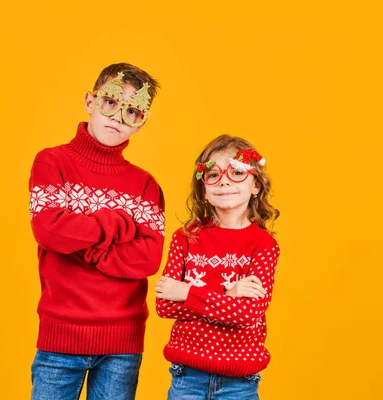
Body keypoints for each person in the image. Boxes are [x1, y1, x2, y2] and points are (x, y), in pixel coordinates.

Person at [29, 63, 164, 400]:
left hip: (122, 343)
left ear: (143, 120)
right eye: (110, 102)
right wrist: (117, 223)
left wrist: (84, 243)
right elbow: (49, 231)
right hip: (61, 337)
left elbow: (148, 258)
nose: (118, 117)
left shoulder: (145, 185)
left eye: (133, 111)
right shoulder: (51, 163)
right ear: (90, 101)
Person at [155, 134, 280, 399]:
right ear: (203, 189)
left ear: (256, 185)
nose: (223, 181)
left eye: (236, 172)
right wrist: (229, 294)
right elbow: (164, 304)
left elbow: (248, 313)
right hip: (186, 376)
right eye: (212, 175)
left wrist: (187, 293)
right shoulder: (186, 236)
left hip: (239, 382)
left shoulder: (264, 245)